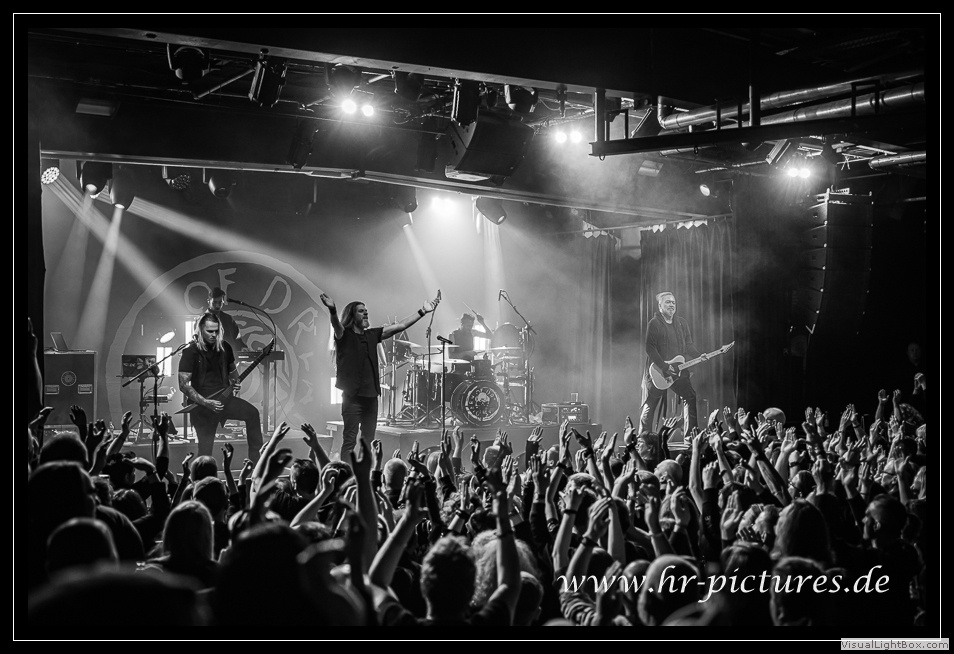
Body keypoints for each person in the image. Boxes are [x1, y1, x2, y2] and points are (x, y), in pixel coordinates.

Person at [320, 291, 440, 458]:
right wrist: (332, 310)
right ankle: (346, 473)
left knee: (368, 442)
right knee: (349, 440)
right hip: (352, 398)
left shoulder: (372, 335)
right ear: (352, 316)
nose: (366, 313)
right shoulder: (344, 335)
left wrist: (422, 311)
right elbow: (336, 325)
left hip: (371, 398)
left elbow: (400, 326)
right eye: (361, 311)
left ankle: (365, 471)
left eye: (366, 310)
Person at [177, 312, 263, 462]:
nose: (214, 334)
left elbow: (233, 374)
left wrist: (236, 382)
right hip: (202, 407)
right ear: (200, 330)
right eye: (209, 331)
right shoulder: (190, 352)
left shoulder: (225, 348)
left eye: (216, 331)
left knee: (253, 414)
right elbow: (183, 385)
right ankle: (203, 474)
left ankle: (257, 462)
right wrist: (206, 402)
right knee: (205, 450)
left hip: (225, 401)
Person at [638, 291, 705, 435]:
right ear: (660, 306)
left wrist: (699, 356)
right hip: (657, 369)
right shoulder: (654, 323)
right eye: (668, 302)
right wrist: (664, 366)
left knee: (690, 396)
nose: (671, 305)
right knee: (651, 401)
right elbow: (650, 348)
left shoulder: (682, 323)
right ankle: (643, 438)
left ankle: (690, 436)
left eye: (673, 302)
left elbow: (689, 345)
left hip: (677, 369)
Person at [207, 287, 248, 351]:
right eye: (214, 303)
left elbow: (237, 337)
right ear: (208, 301)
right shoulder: (201, 320)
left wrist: (242, 347)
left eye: (220, 303)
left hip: (228, 355)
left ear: (223, 302)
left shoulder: (228, 319)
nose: (217, 305)